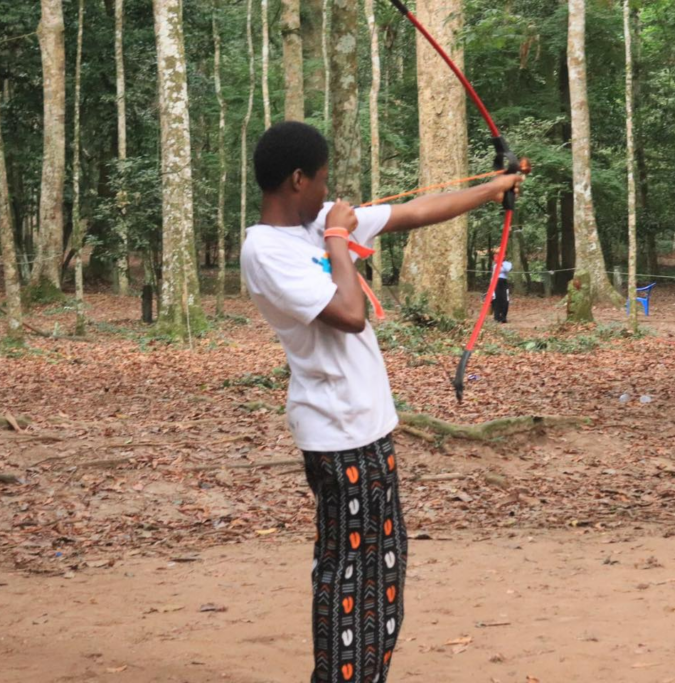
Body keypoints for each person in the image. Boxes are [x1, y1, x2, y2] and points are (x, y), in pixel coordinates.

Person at [240, 121, 522, 683]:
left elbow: (415, 211)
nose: (329, 192)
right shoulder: (267, 249)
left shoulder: (316, 225)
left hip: (364, 432)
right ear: (297, 179)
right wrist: (339, 241)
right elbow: (349, 315)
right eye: (322, 180)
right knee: (351, 575)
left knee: (378, 573)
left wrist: (495, 188)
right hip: (338, 434)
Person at [492, 258, 512, 323]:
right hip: (496, 282)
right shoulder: (495, 265)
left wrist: (501, 264)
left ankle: (503, 316)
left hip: (503, 282)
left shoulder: (508, 264)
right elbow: (493, 275)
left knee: (506, 300)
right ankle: (497, 317)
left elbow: (507, 270)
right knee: (496, 299)